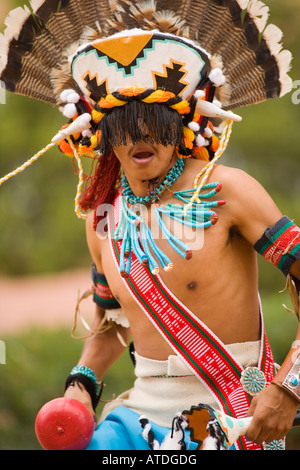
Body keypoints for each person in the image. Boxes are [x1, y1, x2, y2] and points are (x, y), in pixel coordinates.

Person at [0, 0, 299, 451]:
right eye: (124, 125)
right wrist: (81, 384)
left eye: (153, 122)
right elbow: (116, 322)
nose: (139, 137)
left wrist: (289, 387)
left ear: (179, 126)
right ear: (103, 136)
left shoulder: (228, 190)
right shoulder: (102, 220)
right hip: (134, 424)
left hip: (231, 419)